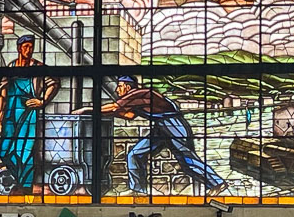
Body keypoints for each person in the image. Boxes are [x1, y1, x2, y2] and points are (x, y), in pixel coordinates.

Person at [96, 76, 225, 197]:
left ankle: (217, 183)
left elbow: (114, 107)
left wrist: (90, 110)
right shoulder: (135, 100)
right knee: (135, 154)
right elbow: (129, 115)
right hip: (161, 127)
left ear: (128, 87)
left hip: (173, 125)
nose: (117, 89)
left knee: (186, 159)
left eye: (120, 86)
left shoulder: (137, 94)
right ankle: (138, 190)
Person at [0, 36, 59, 195]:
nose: (28, 50)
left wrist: (42, 101)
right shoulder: (10, 68)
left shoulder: (38, 67)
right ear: (19, 48)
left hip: (28, 114)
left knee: (26, 150)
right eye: (25, 46)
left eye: (31, 46)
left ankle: (25, 186)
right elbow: (3, 95)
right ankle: (17, 180)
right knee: (5, 151)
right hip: (10, 115)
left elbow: (54, 82)